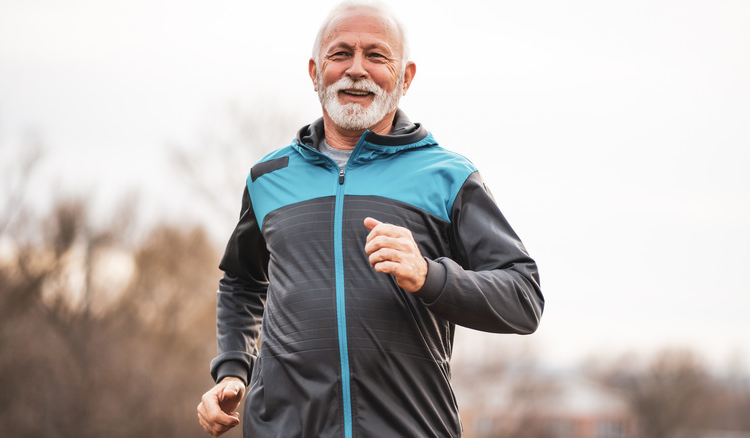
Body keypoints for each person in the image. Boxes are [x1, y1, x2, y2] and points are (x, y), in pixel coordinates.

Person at [197, 2, 544, 437]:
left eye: (376, 56)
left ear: (406, 77)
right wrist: (233, 368)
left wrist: (428, 276)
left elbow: (524, 297)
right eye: (340, 53)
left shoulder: (448, 177)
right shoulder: (268, 178)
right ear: (314, 71)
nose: (356, 69)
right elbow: (241, 281)